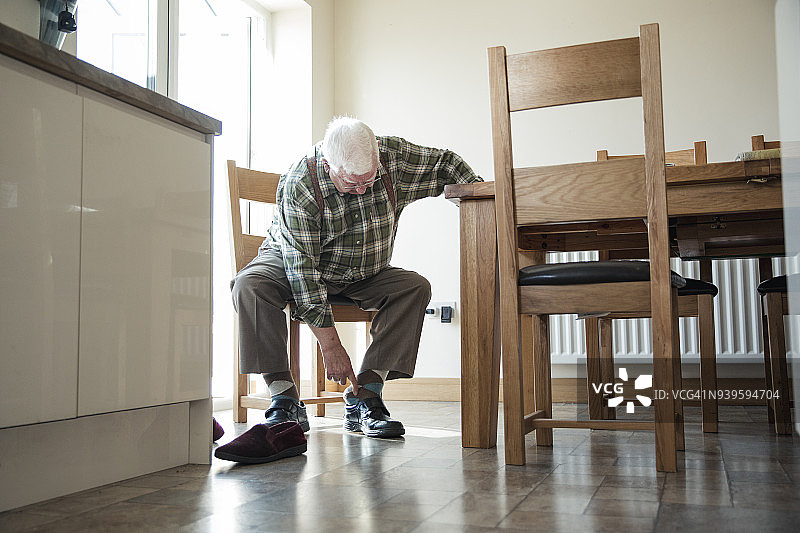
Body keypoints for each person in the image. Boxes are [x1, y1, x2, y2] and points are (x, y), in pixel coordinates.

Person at [224, 117, 482, 453]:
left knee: (414, 287)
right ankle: (284, 399)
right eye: (351, 183)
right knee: (249, 286)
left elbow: (446, 163)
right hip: (292, 266)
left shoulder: (394, 158)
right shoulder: (300, 183)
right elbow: (304, 273)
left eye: (369, 180)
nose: (362, 189)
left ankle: (366, 396)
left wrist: (477, 199)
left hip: (363, 271)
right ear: (328, 163)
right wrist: (331, 345)